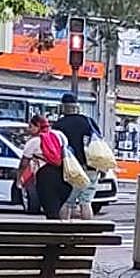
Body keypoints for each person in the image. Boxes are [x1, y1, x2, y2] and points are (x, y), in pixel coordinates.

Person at [52, 93, 101, 221]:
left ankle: (65, 232)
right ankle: (88, 234)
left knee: (68, 202)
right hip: (91, 167)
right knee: (86, 201)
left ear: (63, 107)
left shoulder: (58, 125)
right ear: (77, 107)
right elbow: (99, 142)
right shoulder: (88, 121)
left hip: (71, 169)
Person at [19, 115, 69, 220]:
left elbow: (24, 163)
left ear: (37, 126)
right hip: (62, 173)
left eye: (31, 126)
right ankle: (62, 230)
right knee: (60, 206)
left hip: (45, 175)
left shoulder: (33, 141)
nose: (29, 129)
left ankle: (53, 232)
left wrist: (19, 178)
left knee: (50, 209)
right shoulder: (59, 135)